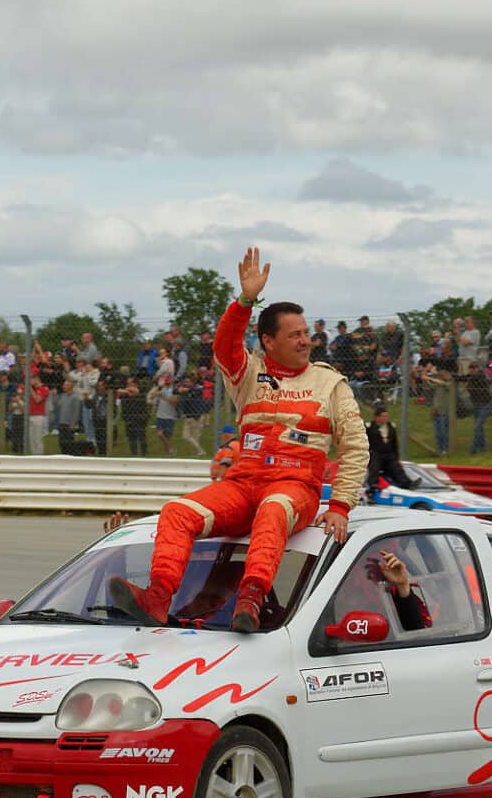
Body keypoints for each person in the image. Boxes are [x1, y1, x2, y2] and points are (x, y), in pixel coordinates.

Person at [111, 247, 368, 634]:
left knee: (274, 508)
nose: (305, 341)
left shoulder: (330, 383)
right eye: (295, 334)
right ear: (268, 341)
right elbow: (224, 346)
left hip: (295, 488)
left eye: (306, 333)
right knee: (177, 512)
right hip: (242, 484)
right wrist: (245, 301)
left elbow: (355, 448)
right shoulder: (248, 374)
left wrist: (341, 506)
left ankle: (250, 599)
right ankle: (158, 597)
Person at [364, 404, 419, 501]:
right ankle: (372, 487)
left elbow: (395, 444)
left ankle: (407, 483)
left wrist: (397, 458)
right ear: (377, 417)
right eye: (383, 416)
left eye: (386, 416)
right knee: (374, 468)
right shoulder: (369, 427)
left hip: (389, 454)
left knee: (396, 468)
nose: (385, 418)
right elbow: (365, 443)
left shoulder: (391, 427)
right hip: (376, 453)